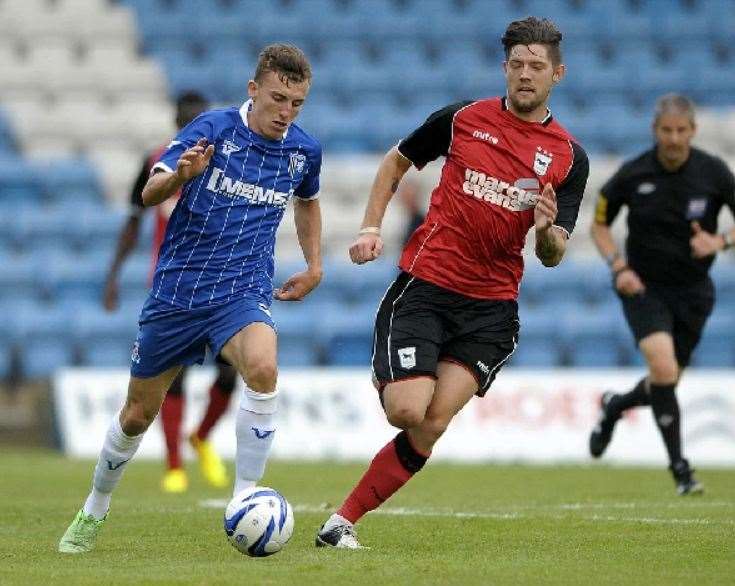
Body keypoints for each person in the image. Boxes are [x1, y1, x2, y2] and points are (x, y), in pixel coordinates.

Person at [315, 17, 589, 549]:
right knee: (406, 409)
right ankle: (393, 370)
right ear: (504, 68)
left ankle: (342, 522)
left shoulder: (568, 158)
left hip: (492, 308)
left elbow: (553, 254)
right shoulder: (465, 118)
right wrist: (370, 228)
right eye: (517, 64)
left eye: (537, 66)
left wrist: (545, 232)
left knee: (430, 424)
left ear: (558, 73)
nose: (525, 74)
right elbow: (396, 161)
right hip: (429, 285)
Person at [59, 43, 323, 553]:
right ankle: (94, 507)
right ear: (253, 89)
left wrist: (314, 265)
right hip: (178, 292)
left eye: (296, 103)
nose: (285, 112)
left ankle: (245, 496)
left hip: (242, 291)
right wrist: (181, 175)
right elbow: (148, 195)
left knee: (263, 368)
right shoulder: (211, 130)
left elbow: (308, 203)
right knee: (137, 414)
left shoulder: (303, 151)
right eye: (276, 99)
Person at [588, 94, 735, 495]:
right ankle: (681, 471)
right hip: (644, 288)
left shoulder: (714, 173)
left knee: (664, 381)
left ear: (693, 131)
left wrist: (720, 241)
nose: (673, 138)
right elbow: (599, 225)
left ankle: (615, 406)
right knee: (665, 370)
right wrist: (618, 266)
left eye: (681, 131)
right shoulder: (632, 174)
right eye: (666, 131)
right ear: (655, 131)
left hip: (694, 292)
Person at [102, 91, 237, 494]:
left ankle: (201, 436)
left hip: (218, 281)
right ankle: (175, 465)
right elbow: (133, 219)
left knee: (231, 371)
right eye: (189, 118)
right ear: (179, 120)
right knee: (171, 378)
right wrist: (113, 274)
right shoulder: (155, 161)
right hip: (170, 281)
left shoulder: (226, 160)